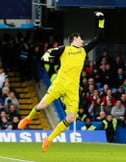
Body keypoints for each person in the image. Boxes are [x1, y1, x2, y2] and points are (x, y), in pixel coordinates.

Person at [17, 12, 105, 152]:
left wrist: (101, 20)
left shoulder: (83, 51)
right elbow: (52, 50)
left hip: (72, 89)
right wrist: (47, 54)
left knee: (70, 118)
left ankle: (49, 139)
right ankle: (28, 118)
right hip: (60, 83)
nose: (82, 40)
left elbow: (99, 38)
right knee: (41, 106)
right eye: (80, 38)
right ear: (74, 39)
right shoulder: (65, 49)